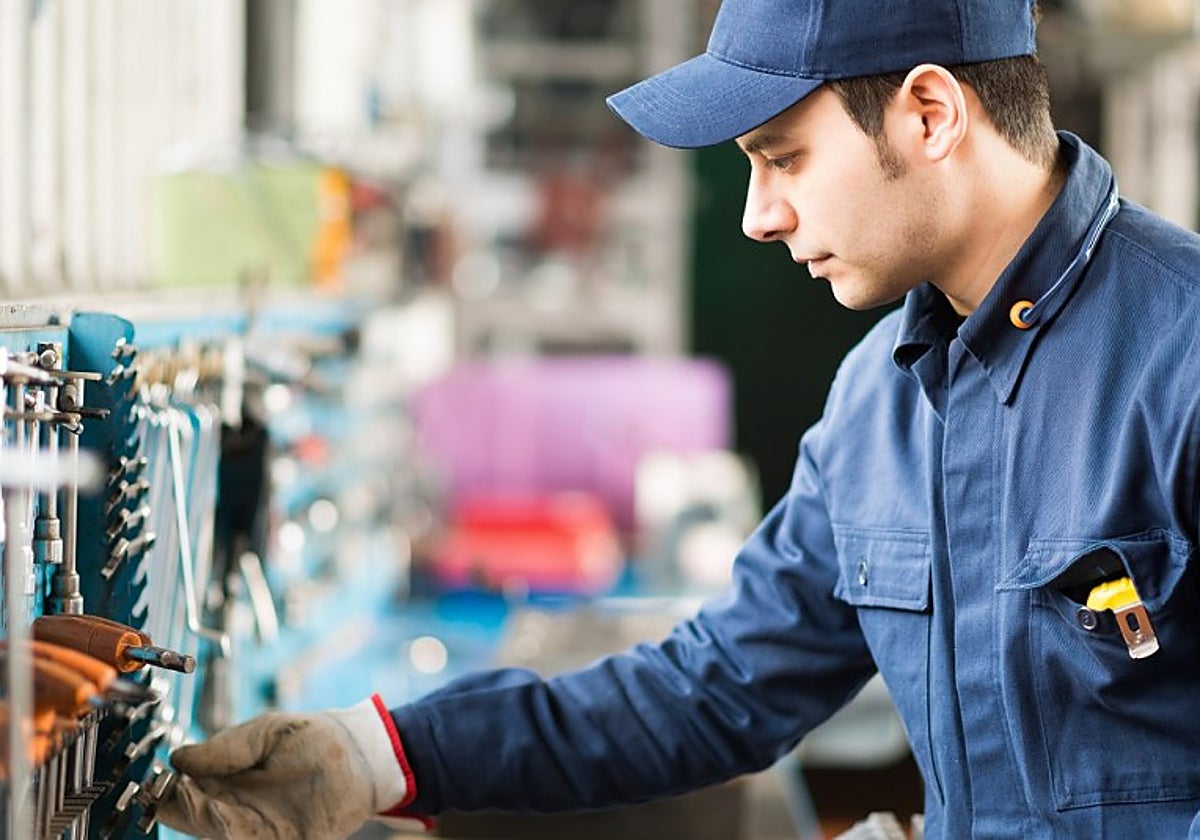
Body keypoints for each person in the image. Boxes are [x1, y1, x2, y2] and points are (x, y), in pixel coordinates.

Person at [158, 0, 1200, 837]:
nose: (757, 215)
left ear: (929, 114)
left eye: (783, 157)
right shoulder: (879, 402)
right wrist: (379, 756)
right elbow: (715, 688)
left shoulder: (1181, 360)